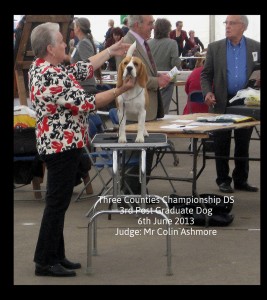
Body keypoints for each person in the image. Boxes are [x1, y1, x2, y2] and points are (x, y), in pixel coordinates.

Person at [29, 22, 134, 277]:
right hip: (60, 147)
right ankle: (44, 261)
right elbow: (88, 102)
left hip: (65, 144)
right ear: (50, 48)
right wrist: (121, 90)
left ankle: (56, 254)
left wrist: (110, 52)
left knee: (60, 202)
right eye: (62, 41)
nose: (67, 43)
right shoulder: (49, 75)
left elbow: (82, 68)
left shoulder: (47, 67)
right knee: (56, 203)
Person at [201, 15, 260, 193]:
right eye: (226, 23)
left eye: (232, 23)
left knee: (243, 143)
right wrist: (207, 92)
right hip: (221, 100)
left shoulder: (255, 47)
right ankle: (223, 180)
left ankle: (241, 179)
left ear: (243, 26)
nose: (227, 26)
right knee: (222, 142)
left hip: (245, 101)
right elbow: (205, 75)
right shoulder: (214, 47)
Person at [116, 15, 170, 194]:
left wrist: (157, 77)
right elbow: (129, 79)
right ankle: (129, 196)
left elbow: (143, 73)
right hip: (132, 111)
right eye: (150, 23)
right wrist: (157, 82)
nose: (153, 27)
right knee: (134, 158)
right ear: (137, 24)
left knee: (145, 158)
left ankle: (139, 193)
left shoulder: (143, 43)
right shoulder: (126, 44)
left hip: (147, 109)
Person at [148, 18, 182, 115]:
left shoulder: (148, 43)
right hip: (167, 80)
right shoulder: (172, 43)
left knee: (151, 109)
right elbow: (176, 64)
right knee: (163, 110)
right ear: (167, 30)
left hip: (152, 80)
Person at [70, 17, 101, 94]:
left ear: (78, 28)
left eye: (74, 26)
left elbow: (88, 65)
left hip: (85, 86)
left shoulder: (83, 43)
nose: (73, 28)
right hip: (82, 85)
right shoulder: (82, 42)